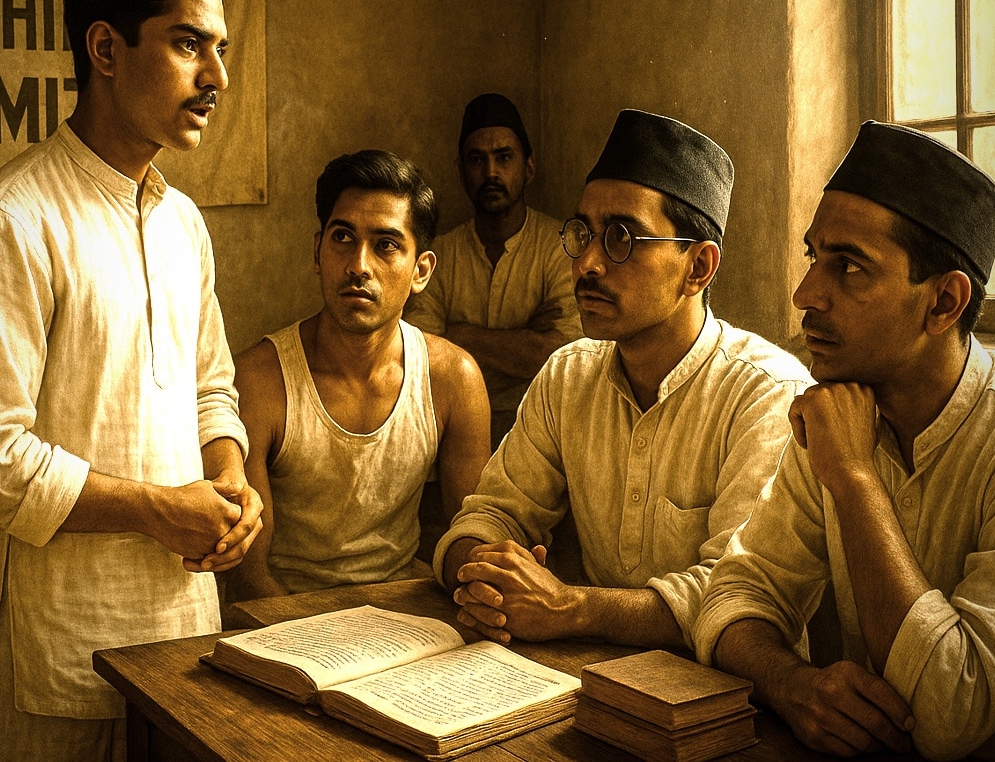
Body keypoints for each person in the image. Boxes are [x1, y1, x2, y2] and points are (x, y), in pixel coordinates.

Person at [695, 121, 995, 759]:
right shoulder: (842, 411)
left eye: (850, 267)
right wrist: (791, 684)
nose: (805, 295)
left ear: (944, 303)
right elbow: (733, 595)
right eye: (814, 257)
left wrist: (855, 479)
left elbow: (948, 716)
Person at [0, 0, 261, 761]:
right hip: (50, 658)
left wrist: (228, 478)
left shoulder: (183, 223)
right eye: (189, 44)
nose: (217, 78)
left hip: (181, 642)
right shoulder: (11, 220)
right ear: (106, 49)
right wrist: (158, 510)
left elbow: (211, 390)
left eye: (219, 49)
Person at [434, 109, 809, 651]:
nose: (587, 263)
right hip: (591, 671)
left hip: (730, 690)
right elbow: (490, 514)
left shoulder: (766, 393)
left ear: (698, 268)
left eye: (622, 238)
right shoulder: (569, 374)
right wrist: (486, 574)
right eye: (583, 233)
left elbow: (736, 597)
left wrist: (570, 606)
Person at [224, 150, 491, 598]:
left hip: (402, 612)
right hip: (283, 614)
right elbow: (249, 577)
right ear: (318, 251)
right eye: (343, 237)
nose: (358, 265)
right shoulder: (259, 380)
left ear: (421, 270)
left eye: (386, 244)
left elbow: (473, 530)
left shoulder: (453, 379)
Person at [404, 93, 581, 446]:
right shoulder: (439, 256)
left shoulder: (561, 248)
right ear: (461, 172)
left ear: (529, 168)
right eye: (477, 160)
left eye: (504, 157)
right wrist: (526, 342)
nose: (491, 173)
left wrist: (461, 337)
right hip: (452, 430)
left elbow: (567, 356)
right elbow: (422, 359)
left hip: (543, 431)